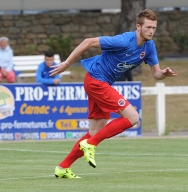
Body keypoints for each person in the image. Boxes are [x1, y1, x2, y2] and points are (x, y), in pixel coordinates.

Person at [50, 9, 177, 178]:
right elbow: (88, 42)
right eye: (148, 27)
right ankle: (90, 145)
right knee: (133, 118)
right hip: (96, 81)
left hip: (99, 83)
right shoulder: (124, 40)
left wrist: (164, 74)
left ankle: (63, 167)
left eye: (154, 27)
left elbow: (156, 74)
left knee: (95, 132)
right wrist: (66, 64)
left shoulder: (149, 46)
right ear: (138, 27)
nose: (151, 31)